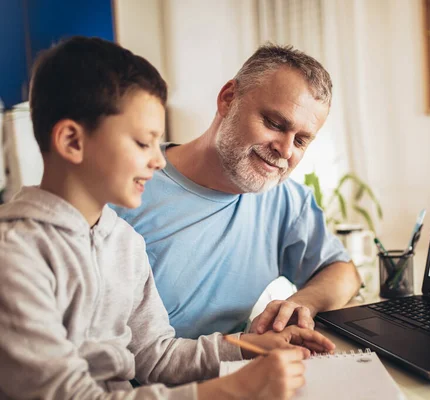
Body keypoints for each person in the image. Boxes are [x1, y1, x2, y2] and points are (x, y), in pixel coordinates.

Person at [0, 36, 335, 399]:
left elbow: (155, 354)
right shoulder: (14, 254)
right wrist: (227, 390)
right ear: (72, 141)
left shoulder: (123, 241)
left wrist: (248, 346)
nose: (160, 160)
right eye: (144, 143)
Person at [114, 44, 362, 338]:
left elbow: (344, 272)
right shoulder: (126, 188)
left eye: (300, 141)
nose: (284, 150)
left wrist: (300, 304)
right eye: (274, 123)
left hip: (236, 369)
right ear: (228, 99)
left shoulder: (284, 199)